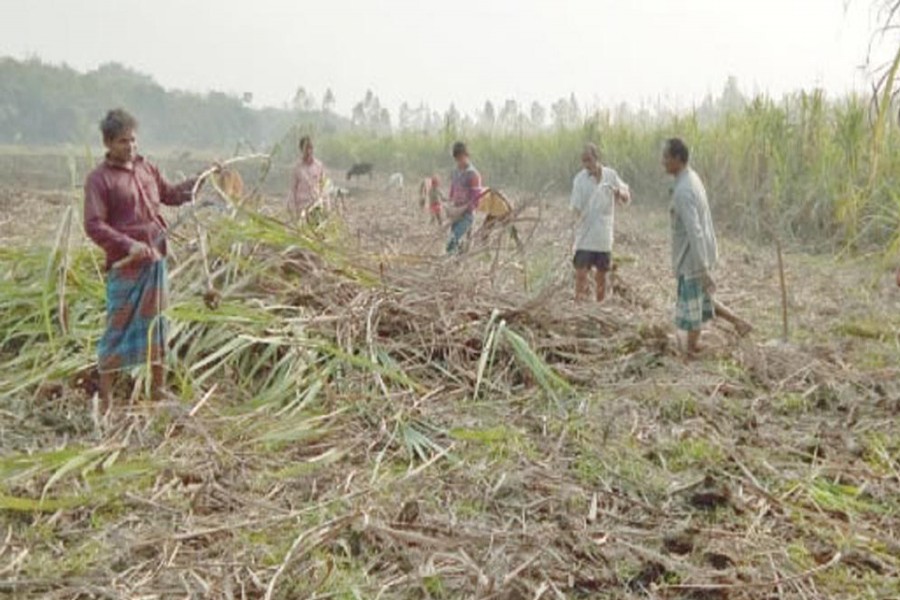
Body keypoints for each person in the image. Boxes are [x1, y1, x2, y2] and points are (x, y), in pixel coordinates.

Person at [83, 108, 212, 409]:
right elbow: (94, 224)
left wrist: (201, 180)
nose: (130, 146)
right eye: (122, 141)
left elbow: (170, 195)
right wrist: (128, 244)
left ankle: (157, 391)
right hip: (126, 266)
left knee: (157, 328)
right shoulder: (99, 180)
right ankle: (106, 398)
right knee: (117, 329)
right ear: (108, 143)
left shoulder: (146, 170)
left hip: (155, 261)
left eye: (133, 140)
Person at [663, 137, 752, 357]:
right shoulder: (691, 179)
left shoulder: (684, 190)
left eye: (666, 157)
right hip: (696, 255)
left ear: (677, 158)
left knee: (692, 310)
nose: (662, 162)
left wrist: (702, 269)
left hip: (693, 258)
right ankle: (739, 322)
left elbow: (696, 232)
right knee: (703, 299)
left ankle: (691, 348)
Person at [569, 143, 631, 302]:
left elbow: (626, 196)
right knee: (581, 274)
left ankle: (599, 306)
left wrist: (619, 193)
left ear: (597, 159)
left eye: (589, 160)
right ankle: (579, 305)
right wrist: (578, 220)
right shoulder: (579, 180)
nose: (587, 165)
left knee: (601, 275)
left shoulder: (610, 176)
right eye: (584, 161)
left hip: (603, 236)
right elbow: (575, 207)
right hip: (585, 236)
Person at [445, 142, 482, 254]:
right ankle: (455, 264)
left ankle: (451, 264)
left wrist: (464, 209)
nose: (459, 162)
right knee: (456, 243)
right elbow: (453, 189)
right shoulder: (456, 172)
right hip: (456, 213)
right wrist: (450, 205)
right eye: (457, 159)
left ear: (466, 155)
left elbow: (475, 199)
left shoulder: (473, 175)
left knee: (452, 241)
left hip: (467, 215)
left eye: (461, 158)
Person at [288, 135, 326, 221]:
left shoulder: (319, 166)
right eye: (306, 149)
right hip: (302, 209)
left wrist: (325, 206)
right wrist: (293, 210)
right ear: (301, 150)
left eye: (311, 148)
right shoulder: (297, 168)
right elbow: (293, 190)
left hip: (316, 206)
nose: (309, 151)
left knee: (316, 232)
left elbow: (323, 187)